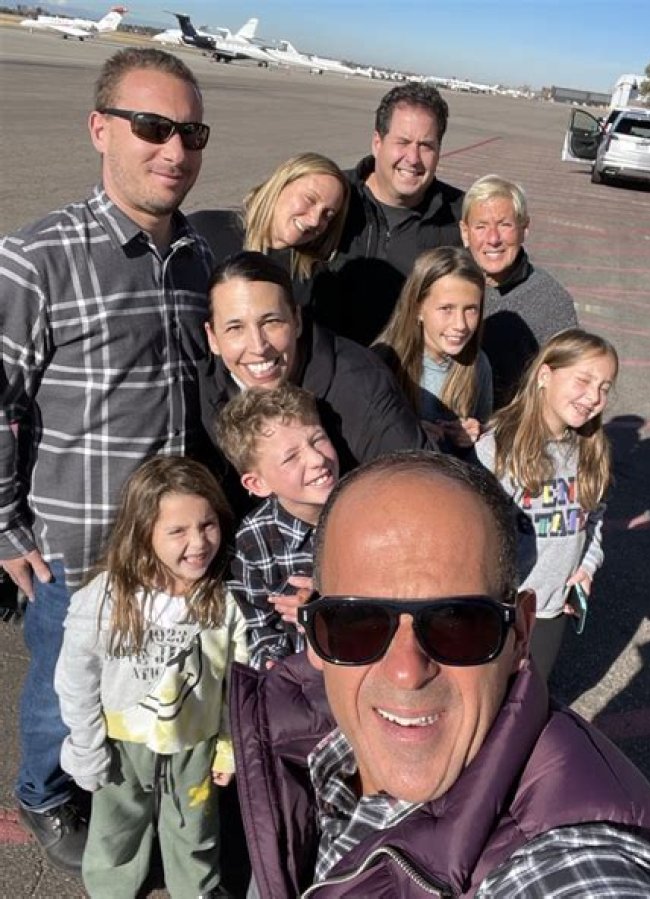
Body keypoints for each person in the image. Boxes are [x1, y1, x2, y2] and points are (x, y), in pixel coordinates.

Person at [229, 452, 650, 897]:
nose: (406, 671)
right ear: (313, 633)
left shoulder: (565, 857)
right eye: (357, 623)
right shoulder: (305, 744)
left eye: (458, 623)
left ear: (520, 633)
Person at [0, 47, 213, 870]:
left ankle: (119, 787)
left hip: (172, 552)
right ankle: (43, 791)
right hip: (78, 547)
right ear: (100, 129)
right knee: (65, 690)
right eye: (152, 127)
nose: (175, 150)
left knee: (142, 688)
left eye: (191, 133)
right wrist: (5, 525)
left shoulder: (197, 258)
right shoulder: (38, 258)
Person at [55, 457, 247, 898]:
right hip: (121, 745)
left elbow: (238, 682)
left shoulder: (224, 600)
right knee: (115, 831)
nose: (198, 542)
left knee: (195, 830)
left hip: (194, 743)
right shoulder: (105, 598)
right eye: (177, 531)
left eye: (207, 524)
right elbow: (76, 679)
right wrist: (86, 748)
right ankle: (112, 891)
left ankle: (196, 890)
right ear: (143, 532)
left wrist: (228, 747)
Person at [200, 251, 429, 511]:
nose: (258, 346)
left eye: (271, 322)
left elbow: (422, 491)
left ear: (297, 320)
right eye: (235, 328)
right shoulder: (201, 393)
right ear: (212, 338)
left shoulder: (358, 388)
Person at [475, 329, 617, 680]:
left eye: (604, 387)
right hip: (500, 607)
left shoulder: (591, 450)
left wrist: (587, 566)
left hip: (551, 610)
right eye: (583, 380)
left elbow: (594, 517)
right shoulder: (496, 448)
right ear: (544, 375)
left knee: (530, 695)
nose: (594, 397)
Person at [312, 83, 464, 346]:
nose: (413, 158)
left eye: (426, 146)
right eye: (402, 142)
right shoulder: (333, 198)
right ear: (377, 143)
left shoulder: (459, 216)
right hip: (321, 362)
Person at [216, 384, 338, 670]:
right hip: (304, 682)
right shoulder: (252, 542)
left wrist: (337, 603)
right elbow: (260, 631)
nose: (317, 459)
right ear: (257, 484)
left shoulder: (371, 509)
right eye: (291, 457)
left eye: (318, 439)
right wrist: (276, 667)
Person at [460, 174, 578, 409]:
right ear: (465, 232)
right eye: (481, 226)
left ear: (524, 229)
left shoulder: (552, 302)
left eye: (505, 225)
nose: (493, 239)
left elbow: (566, 390)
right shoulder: (446, 286)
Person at [373, 246, 492, 457]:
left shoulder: (478, 363)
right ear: (418, 308)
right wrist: (408, 433)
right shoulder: (383, 362)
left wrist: (477, 433)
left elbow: (486, 425)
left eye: (470, 309)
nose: (460, 324)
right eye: (446, 309)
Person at [188, 152, 350, 307]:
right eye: (309, 199)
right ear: (280, 185)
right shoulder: (203, 230)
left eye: (328, 215)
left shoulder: (313, 281)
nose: (314, 220)